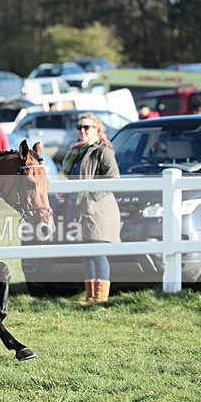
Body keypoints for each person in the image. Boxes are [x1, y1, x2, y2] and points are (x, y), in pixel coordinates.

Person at [61, 113, 120, 305]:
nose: (82, 131)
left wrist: (90, 197)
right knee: (86, 254)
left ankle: (100, 300)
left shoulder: (103, 150)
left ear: (97, 129)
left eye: (87, 127)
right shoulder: (77, 151)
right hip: (80, 210)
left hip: (98, 210)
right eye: (79, 127)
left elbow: (113, 179)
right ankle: (90, 297)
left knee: (98, 254)